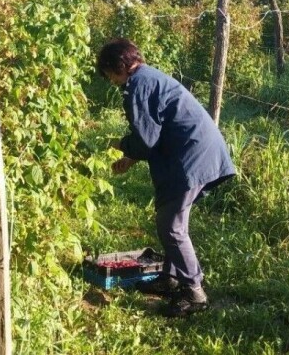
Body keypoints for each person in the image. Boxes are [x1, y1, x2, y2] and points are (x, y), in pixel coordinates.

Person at [97, 38, 235, 317]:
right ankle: (172, 278)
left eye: (108, 74)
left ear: (118, 67)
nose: (110, 80)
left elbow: (146, 140)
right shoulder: (147, 78)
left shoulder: (137, 86)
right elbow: (154, 132)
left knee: (170, 226)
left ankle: (195, 292)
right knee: (171, 218)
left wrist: (118, 144)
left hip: (191, 158)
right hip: (198, 151)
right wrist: (130, 158)